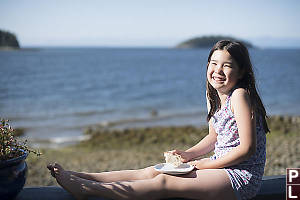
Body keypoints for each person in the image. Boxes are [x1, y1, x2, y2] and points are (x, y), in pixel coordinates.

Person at [47, 40, 269, 200]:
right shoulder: (213, 96)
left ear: (241, 72)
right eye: (213, 63)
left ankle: (86, 190)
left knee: (165, 182)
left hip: (241, 176)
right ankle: (82, 177)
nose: (217, 70)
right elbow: (214, 136)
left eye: (227, 65)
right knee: (154, 170)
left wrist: (203, 164)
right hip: (220, 165)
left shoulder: (240, 96)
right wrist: (188, 155)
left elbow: (247, 150)